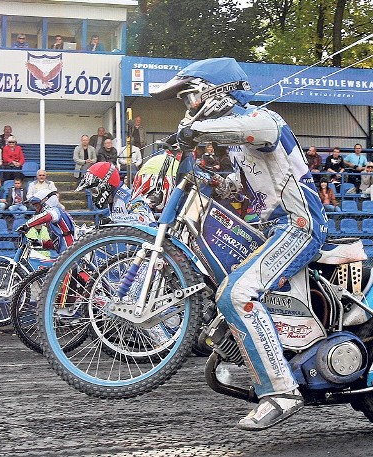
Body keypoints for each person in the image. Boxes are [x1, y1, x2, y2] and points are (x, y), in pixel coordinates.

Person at [152, 57, 328, 430]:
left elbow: (245, 129)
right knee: (224, 288)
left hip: (300, 226)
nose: (189, 106)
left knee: (237, 293)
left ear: (214, 92)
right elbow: (241, 188)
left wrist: (193, 130)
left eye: (190, 97)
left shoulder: (264, 120)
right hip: (273, 230)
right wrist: (206, 179)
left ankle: (281, 391)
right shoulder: (236, 145)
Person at [76, 161, 156, 226]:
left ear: (106, 185)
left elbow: (143, 218)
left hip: (148, 241)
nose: (94, 195)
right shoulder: (112, 198)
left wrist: (113, 219)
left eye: (94, 191)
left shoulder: (129, 196)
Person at [16, 190, 75, 254]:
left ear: (46, 201)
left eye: (37, 205)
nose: (36, 209)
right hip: (65, 250)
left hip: (69, 250)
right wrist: (39, 243)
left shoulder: (56, 211)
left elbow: (47, 216)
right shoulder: (53, 221)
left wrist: (27, 225)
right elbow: (56, 242)